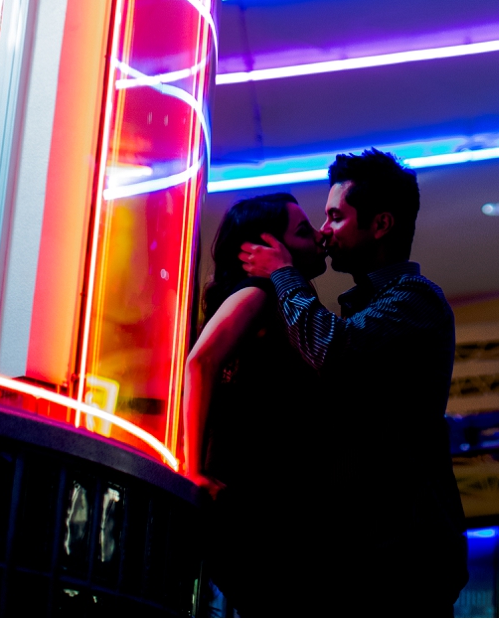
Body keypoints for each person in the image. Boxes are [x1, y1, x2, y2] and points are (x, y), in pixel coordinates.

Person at [240, 148, 468, 619]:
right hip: (369, 556)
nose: (324, 231)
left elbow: (333, 349)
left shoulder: (415, 299)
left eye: (335, 217)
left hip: (402, 562)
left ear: (381, 224)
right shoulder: (363, 304)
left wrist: (282, 273)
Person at [183, 192, 328, 616]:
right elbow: (200, 362)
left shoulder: (277, 303)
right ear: (267, 247)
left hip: (263, 509)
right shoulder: (260, 294)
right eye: (303, 231)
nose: (319, 236)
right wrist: (194, 471)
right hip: (256, 510)